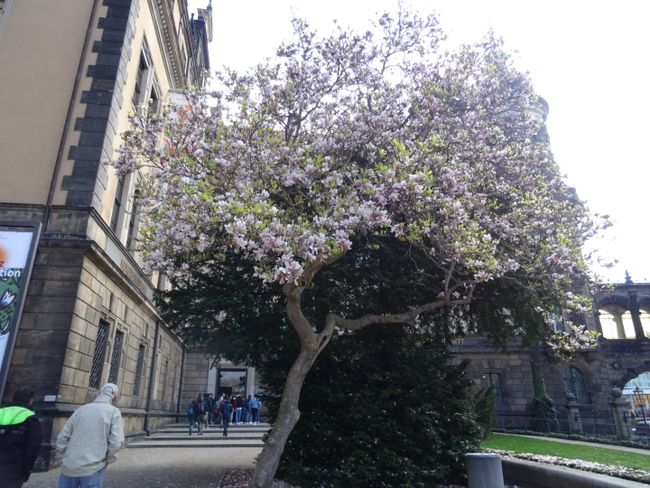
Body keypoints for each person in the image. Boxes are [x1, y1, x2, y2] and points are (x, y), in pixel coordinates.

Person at [56, 383, 124, 488]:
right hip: (93, 467)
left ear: (100, 392)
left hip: (69, 466)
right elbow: (116, 442)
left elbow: (62, 437)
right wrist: (107, 460)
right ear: (114, 397)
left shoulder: (81, 410)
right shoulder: (114, 412)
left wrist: (64, 458)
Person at [0, 388, 43, 488]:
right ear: (31, 401)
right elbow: (32, 450)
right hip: (13, 472)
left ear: (12, 399)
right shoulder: (32, 420)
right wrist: (26, 472)